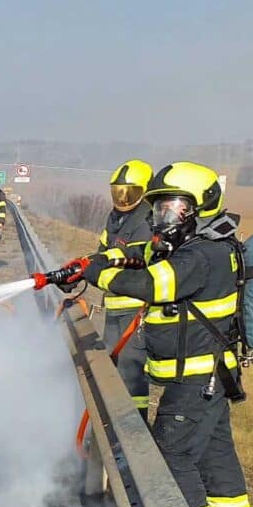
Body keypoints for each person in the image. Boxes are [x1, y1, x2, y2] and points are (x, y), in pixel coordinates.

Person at [81, 162, 253, 507]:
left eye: (173, 208)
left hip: (195, 378)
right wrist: (114, 256)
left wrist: (98, 273)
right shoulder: (204, 243)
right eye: (159, 208)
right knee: (215, 450)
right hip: (210, 373)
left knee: (173, 453)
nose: (163, 218)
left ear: (201, 206)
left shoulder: (200, 256)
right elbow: (147, 252)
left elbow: (152, 284)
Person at [98, 159, 155, 415]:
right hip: (113, 304)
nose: (122, 198)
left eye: (128, 192)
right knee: (112, 367)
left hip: (135, 310)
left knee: (131, 372)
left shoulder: (147, 222)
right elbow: (101, 252)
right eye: (117, 191)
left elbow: (139, 260)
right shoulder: (115, 220)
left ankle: (136, 431)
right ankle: (114, 421)